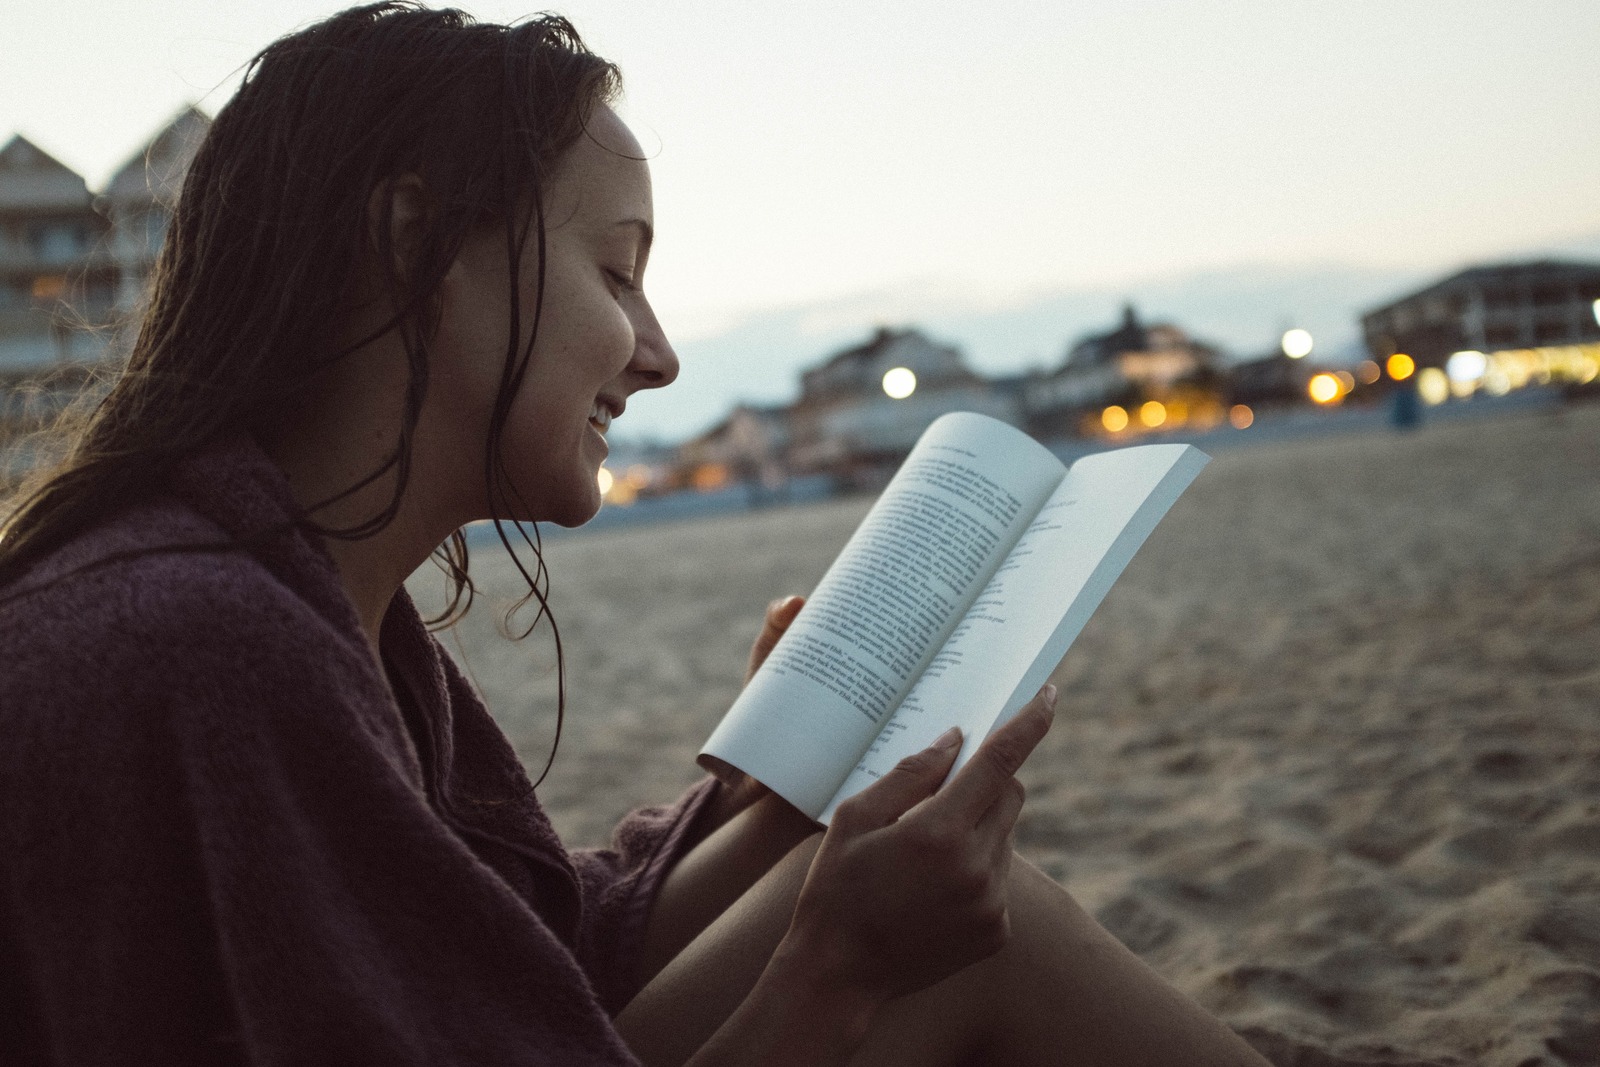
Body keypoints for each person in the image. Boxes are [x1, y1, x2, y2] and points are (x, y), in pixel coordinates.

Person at [0, 5, 1271, 1064]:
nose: (654, 355)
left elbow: (535, 962)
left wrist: (775, 791)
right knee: (970, 955)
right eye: (616, 273)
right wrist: (837, 967)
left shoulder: (287, 591)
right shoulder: (198, 636)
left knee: (920, 894)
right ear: (412, 243)